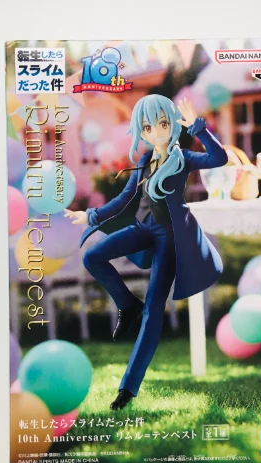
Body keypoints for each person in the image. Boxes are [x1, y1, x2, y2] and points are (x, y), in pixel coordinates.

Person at [65, 94, 228, 410]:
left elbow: (218, 158)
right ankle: (127, 305)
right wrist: (92, 216)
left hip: (170, 238)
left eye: (163, 123)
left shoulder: (183, 158)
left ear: (171, 124)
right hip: (143, 228)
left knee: (154, 310)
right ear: (141, 131)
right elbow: (124, 198)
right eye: (148, 127)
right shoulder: (144, 160)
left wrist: (198, 128)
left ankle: (127, 388)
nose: (156, 131)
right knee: (92, 256)